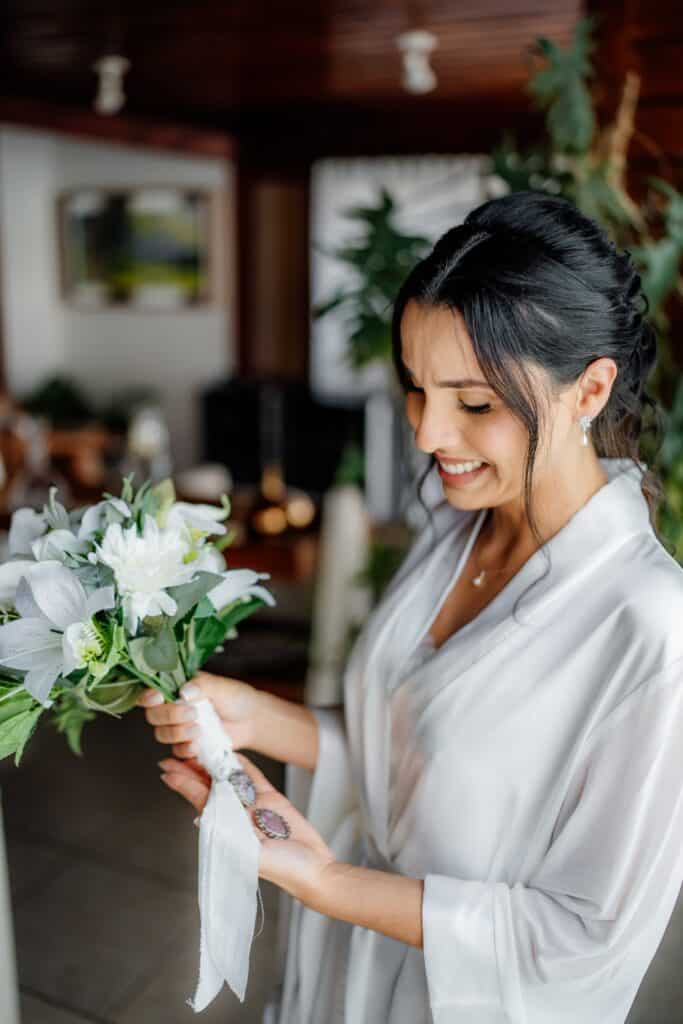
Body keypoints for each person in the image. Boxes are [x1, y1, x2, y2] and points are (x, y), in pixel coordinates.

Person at [137, 190, 683, 1024]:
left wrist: (327, 881)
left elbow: (582, 937)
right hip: (343, 976)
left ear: (589, 390)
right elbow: (413, 752)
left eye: (474, 404)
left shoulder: (648, 625)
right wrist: (256, 715)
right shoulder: (455, 527)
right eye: (415, 389)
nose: (427, 436)